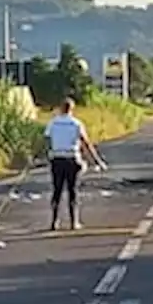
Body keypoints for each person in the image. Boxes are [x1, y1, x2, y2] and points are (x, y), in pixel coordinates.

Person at [43, 98, 109, 231]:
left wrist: (47, 153)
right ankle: (74, 221)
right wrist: (97, 161)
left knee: (57, 190)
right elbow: (86, 143)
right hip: (71, 158)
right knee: (73, 190)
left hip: (57, 158)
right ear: (72, 109)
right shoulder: (76, 123)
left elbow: (47, 140)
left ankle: (55, 221)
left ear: (61, 108)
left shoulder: (53, 122)